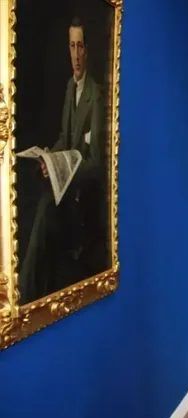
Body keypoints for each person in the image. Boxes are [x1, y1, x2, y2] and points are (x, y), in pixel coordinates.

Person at [19, 15, 108, 304]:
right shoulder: (70, 86)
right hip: (65, 184)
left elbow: (95, 163)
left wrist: (65, 170)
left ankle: (24, 292)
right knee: (36, 199)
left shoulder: (95, 96)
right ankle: (33, 291)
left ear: (87, 50)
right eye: (71, 46)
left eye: (80, 46)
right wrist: (49, 156)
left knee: (44, 207)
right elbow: (64, 137)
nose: (76, 55)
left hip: (81, 196)